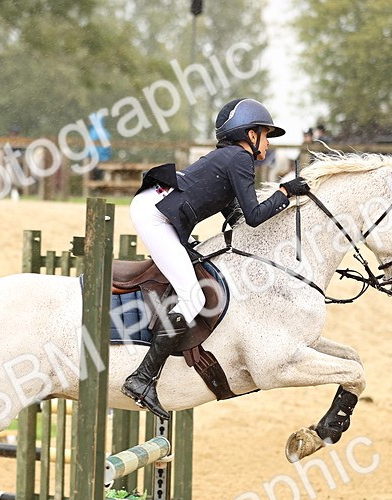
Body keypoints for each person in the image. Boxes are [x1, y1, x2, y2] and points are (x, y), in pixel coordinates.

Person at [123, 98, 311, 419]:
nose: (267, 143)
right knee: (192, 296)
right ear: (250, 136)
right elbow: (253, 216)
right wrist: (285, 193)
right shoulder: (239, 158)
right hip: (155, 214)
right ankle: (142, 378)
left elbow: (236, 216)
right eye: (265, 135)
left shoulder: (229, 157)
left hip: (156, 206)